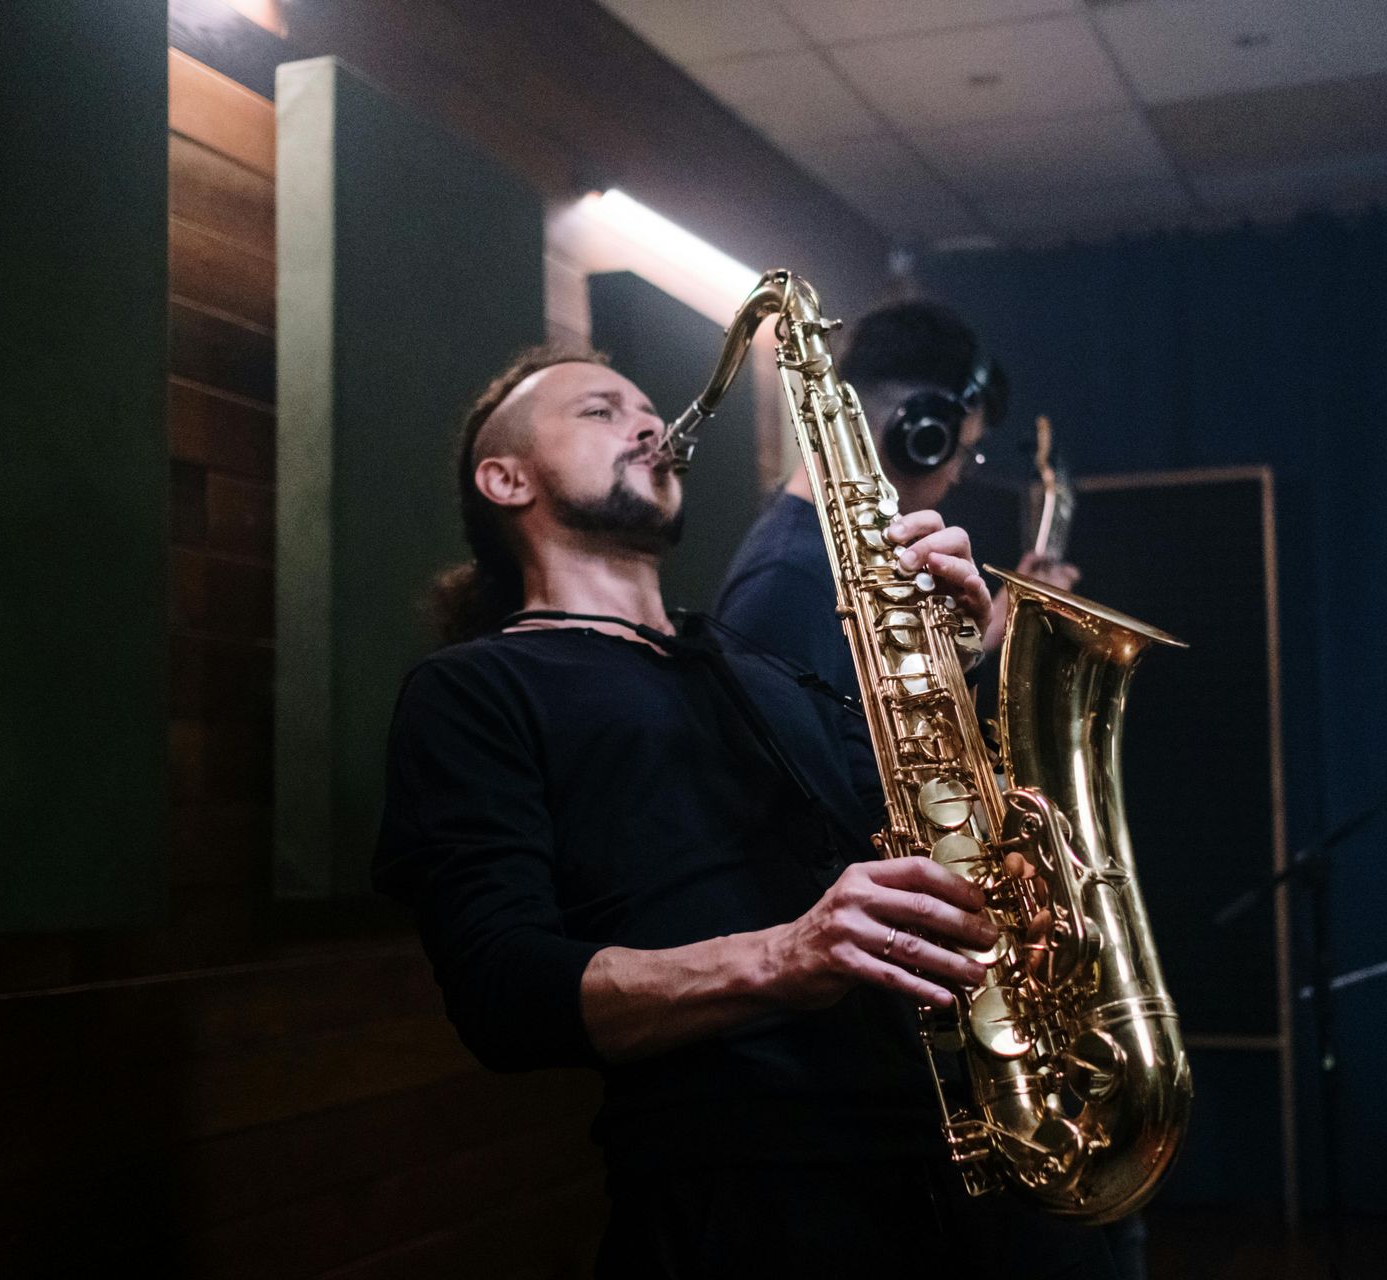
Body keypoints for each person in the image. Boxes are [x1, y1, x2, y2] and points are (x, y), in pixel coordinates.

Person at [373, 345, 1117, 1278]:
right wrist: (783, 953)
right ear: (504, 477)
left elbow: (933, 843)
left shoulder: (761, 667)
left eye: (649, 408)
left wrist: (955, 661)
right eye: (601, 413)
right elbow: (505, 993)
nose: (650, 424)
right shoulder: (474, 688)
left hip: (954, 1164)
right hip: (742, 1197)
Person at [716, 300, 1079, 698]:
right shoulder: (787, 582)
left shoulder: (826, 555)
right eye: (961, 453)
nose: (956, 475)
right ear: (923, 439)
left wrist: (969, 648)